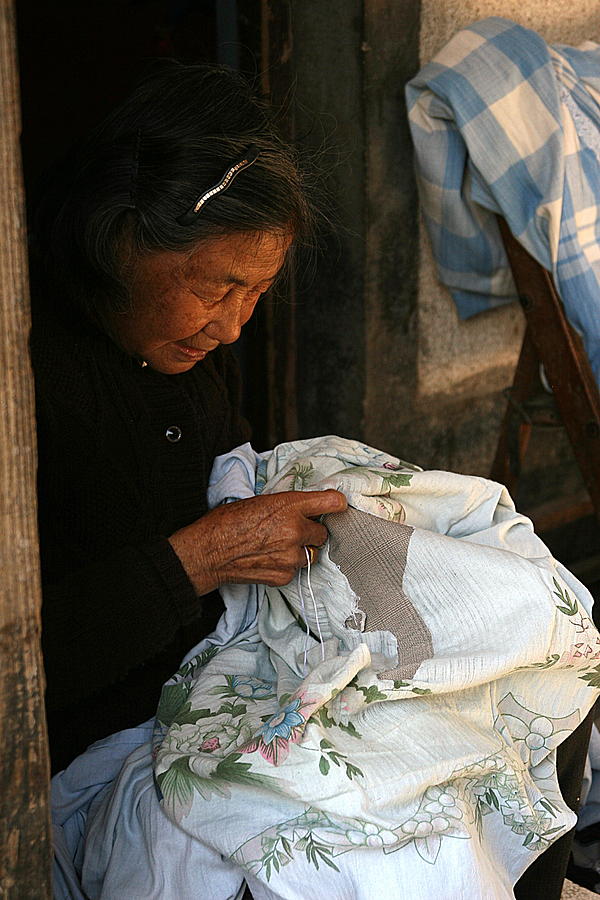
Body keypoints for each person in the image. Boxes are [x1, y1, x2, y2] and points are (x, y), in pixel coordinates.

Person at [29, 61, 347, 773]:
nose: (232, 328)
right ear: (118, 243)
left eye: (257, 292)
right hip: (83, 756)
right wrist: (196, 561)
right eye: (216, 288)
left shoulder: (189, 357)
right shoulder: (29, 379)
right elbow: (26, 661)